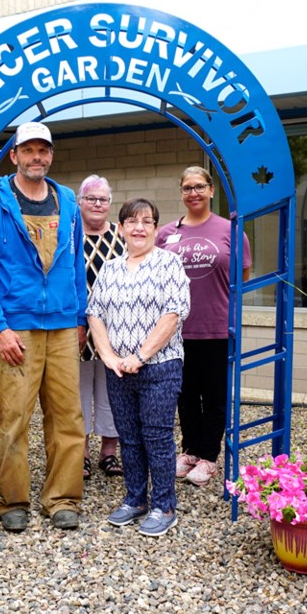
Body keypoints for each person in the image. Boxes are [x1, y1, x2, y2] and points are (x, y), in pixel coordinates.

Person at [0, 121, 86, 533]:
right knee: (13, 417)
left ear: (51, 155)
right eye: (29, 150)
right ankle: (12, 500)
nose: (38, 157)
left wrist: (80, 318)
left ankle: (63, 498)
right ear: (14, 155)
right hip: (15, 330)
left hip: (63, 327)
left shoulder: (68, 201)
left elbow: (76, 266)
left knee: (68, 416)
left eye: (44, 150)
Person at [86, 198, 190, 537]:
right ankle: (135, 498)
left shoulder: (169, 264)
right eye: (132, 221)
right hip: (118, 371)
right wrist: (110, 357)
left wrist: (140, 357)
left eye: (147, 221)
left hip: (159, 367)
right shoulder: (111, 268)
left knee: (157, 438)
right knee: (128, 438)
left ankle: (164, 505)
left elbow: (173, 314)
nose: (139, 228)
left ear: (156, 229)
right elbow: (95, 314)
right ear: (121, 229)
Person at [156, 165, 251, 487]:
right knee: (183, 394)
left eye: (199, 187)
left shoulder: (231, 230)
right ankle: (190, 451)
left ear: (211, 190)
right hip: (176, 329)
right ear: (181, 193)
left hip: (215, 326)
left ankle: (209, 457)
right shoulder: (166, 234)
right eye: (187, 188)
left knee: (214, 395)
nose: (193, 193)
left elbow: (243, 277)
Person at [77, 174, 125, 480]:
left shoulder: (122, 236)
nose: (97, 204)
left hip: (115, 330)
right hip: (78, 328)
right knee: (77, 393)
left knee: (112, 393)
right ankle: (78, 454)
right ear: (80, 202)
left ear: (110, 204)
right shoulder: (69, 236)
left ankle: (109, 453)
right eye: (91, 198)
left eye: (103, 199)